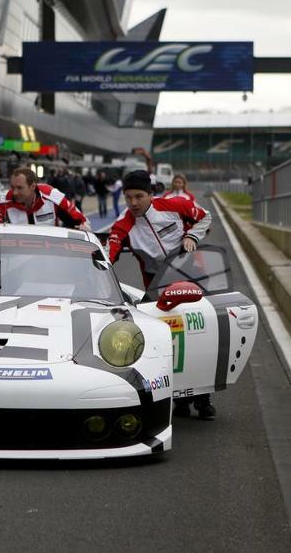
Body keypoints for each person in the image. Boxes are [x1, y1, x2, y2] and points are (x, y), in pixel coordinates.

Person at [107, 170, 215, 419]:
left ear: (151, 194)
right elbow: (108, 255)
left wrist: (191, 235)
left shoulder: (175, 205)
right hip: (158, 292)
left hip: (193, 280)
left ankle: (202, 398)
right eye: (128, 197)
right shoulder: (123, 225)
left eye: (139, 196)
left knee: (200, 339)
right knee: (167, 346)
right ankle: (176, 400)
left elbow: (205, 218)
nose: (133, 203)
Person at [0, 167, 92, 230]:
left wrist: (82, 227)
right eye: (12, 187)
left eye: (20, 188)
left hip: (49, 256)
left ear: (32, 186)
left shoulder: (52, 195)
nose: (14, 192)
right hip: (17, 257)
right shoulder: (3, 202)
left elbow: (83, 222)